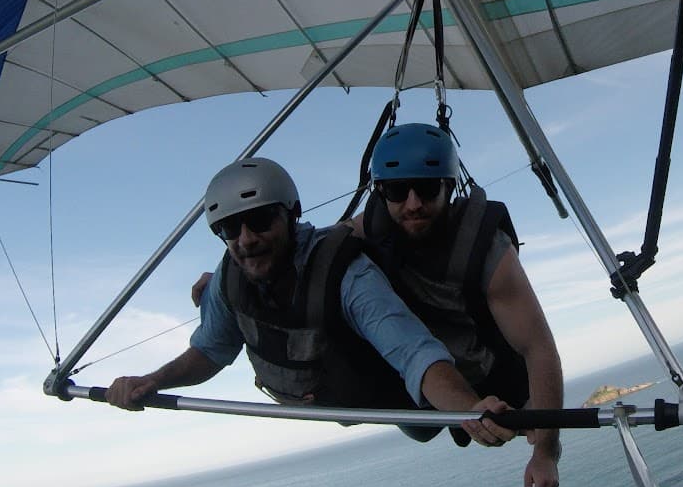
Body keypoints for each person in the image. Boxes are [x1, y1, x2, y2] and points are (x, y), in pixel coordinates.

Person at [193, 126, 565, 487]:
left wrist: (546, 453)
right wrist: (230, 274)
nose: (413, 203)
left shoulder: (490, 254)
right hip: (420, 374)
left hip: (488, 377)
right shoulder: (366, 227)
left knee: (515, 421)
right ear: (380, 192)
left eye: (428, 189)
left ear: (449, 188)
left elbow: (538, 348)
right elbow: (299, 249)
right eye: (397, 190)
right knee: (417, 423)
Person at [108, 157, 514, 452]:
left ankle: (467, 402)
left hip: (386, 395)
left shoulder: (346, 275)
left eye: (261, 220)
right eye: (230, 228)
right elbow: (210, 351)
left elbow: (413, 353)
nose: (246, 238)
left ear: (292, 215)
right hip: (330, 397)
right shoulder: (230, 277)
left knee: (424, 427)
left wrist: (467, 410)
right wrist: (154, 380)